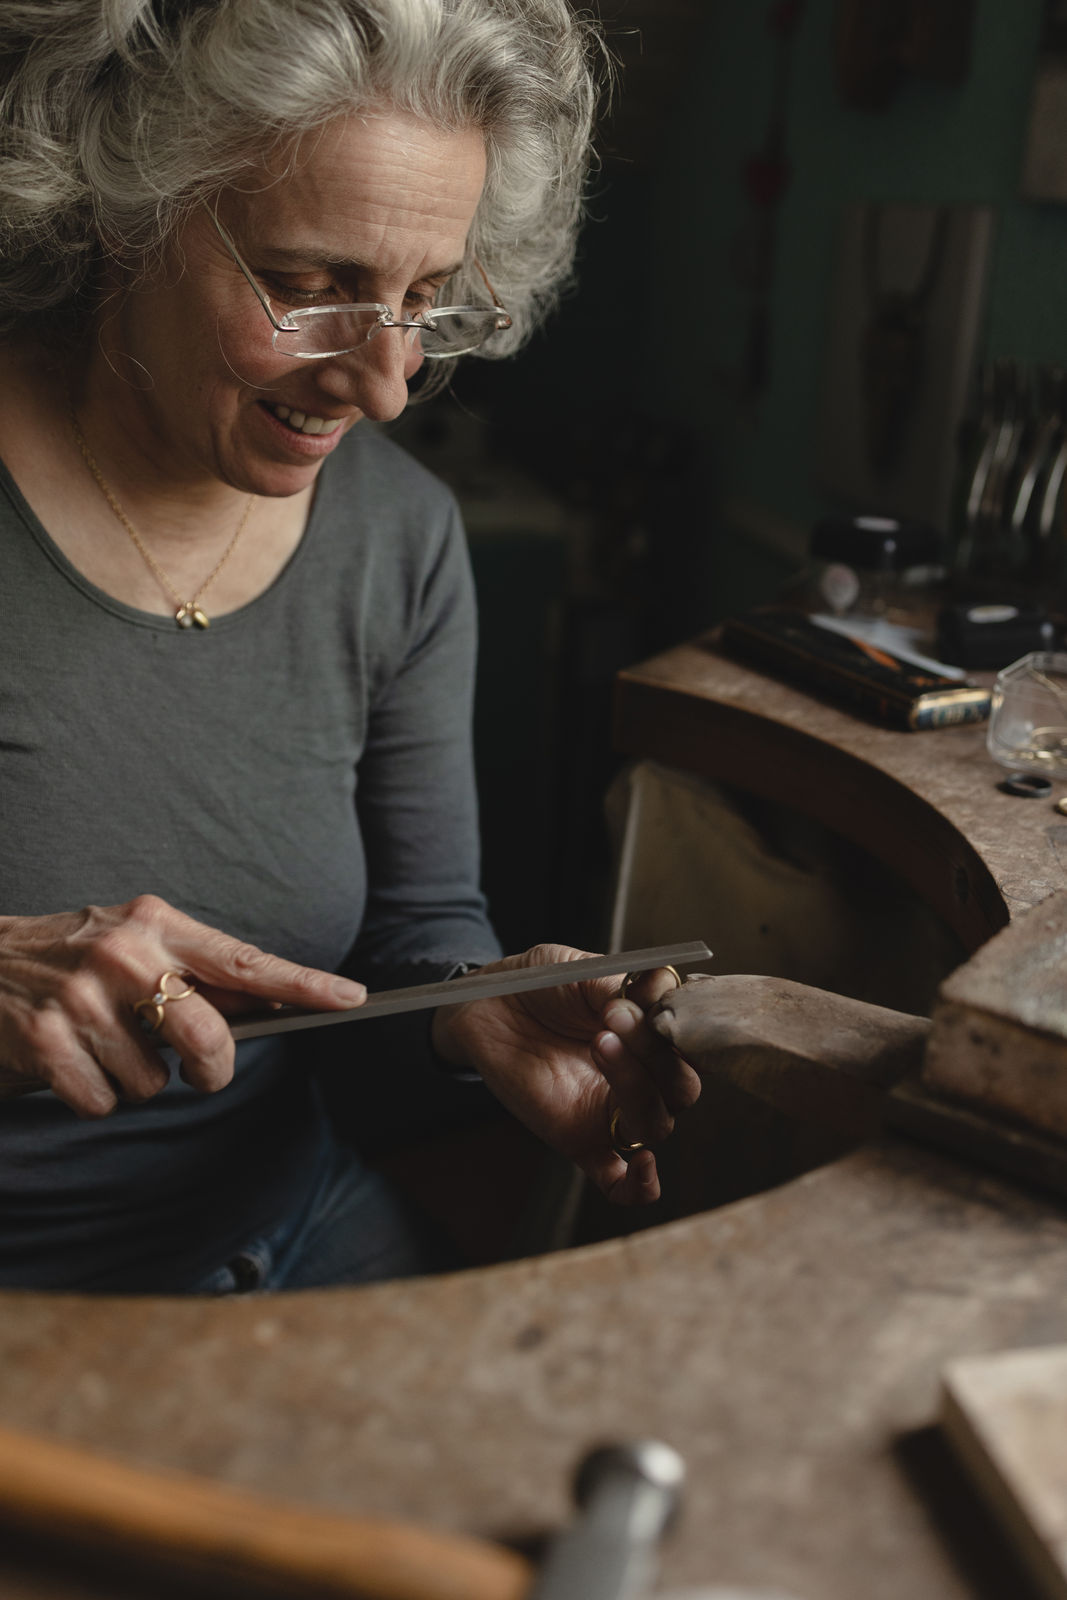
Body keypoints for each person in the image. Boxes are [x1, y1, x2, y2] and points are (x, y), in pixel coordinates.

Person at [0, 0, 701, 1294]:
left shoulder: (403, 537)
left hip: (281, 1221)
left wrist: (475, 1003)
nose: (381, 388)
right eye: (311, 287)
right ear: (123, 205)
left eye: (424, 303)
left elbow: (419, 922)